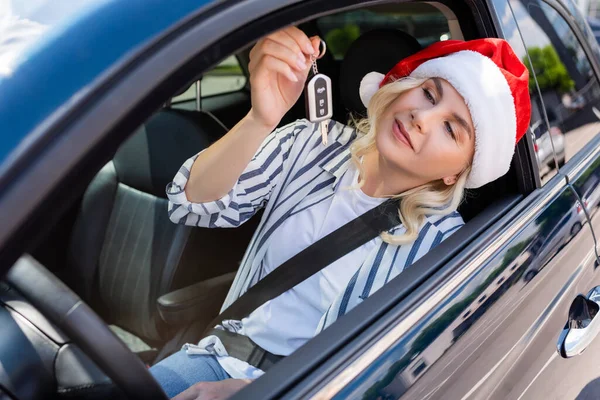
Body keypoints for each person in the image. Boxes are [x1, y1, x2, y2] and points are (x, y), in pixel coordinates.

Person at [151, 26, 531, 399]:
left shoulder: (443, 247)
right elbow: (191, 206)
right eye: (430, 94)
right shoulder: (310, 143)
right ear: (404, 87)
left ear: (456, 174)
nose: (422, 118)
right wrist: (260, 118)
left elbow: (396, 377)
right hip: (215, 359)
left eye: (451, 129)